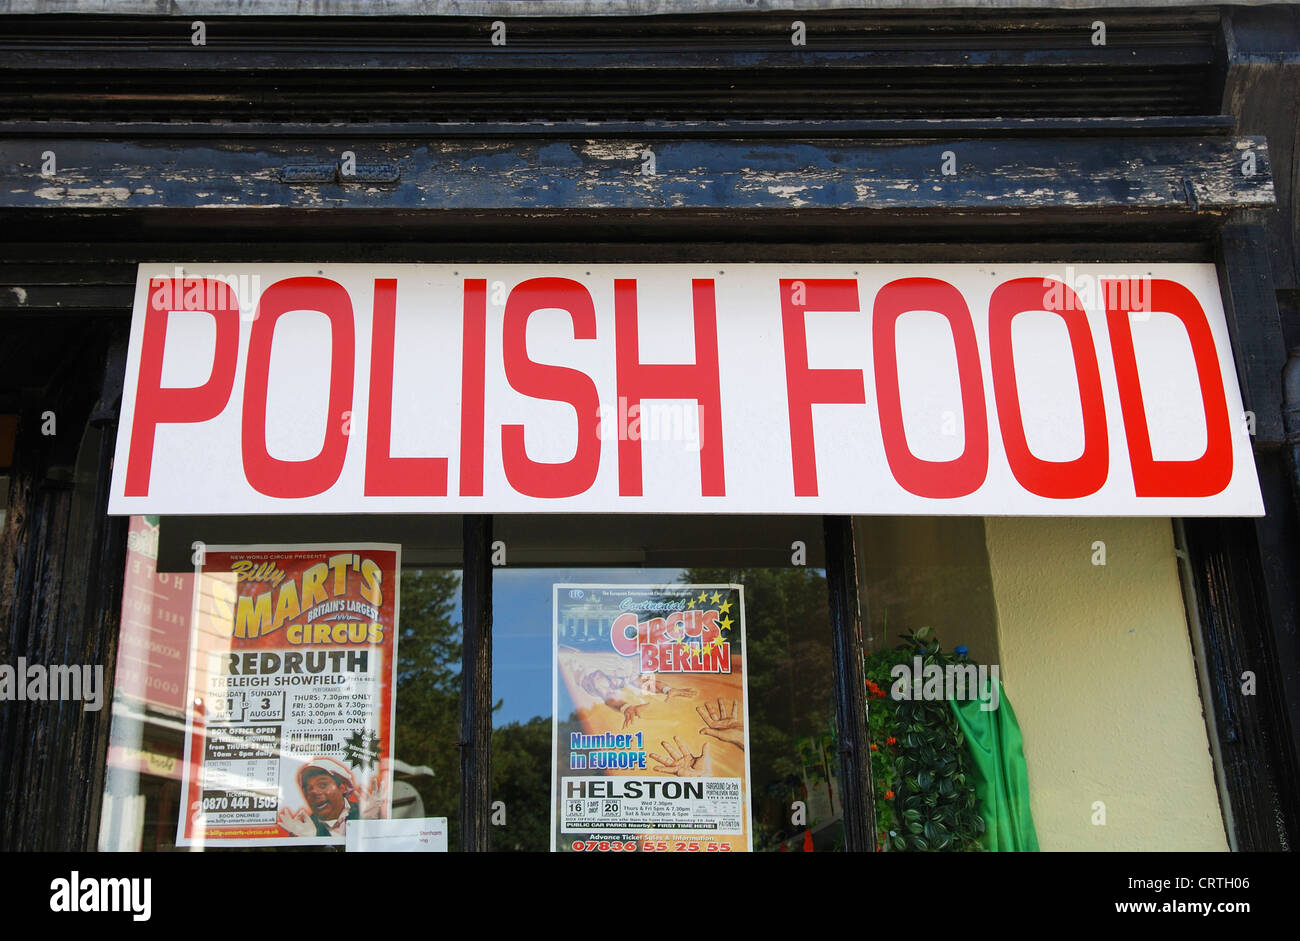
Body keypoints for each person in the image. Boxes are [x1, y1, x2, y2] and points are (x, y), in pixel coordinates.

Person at [278, 756, 361, 838]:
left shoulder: (365, 812)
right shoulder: (301, 830)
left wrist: (370, 821)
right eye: (308, 789)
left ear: (343, 787)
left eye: (322, 785)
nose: (313, 792)